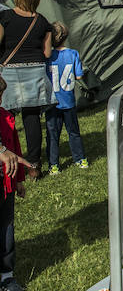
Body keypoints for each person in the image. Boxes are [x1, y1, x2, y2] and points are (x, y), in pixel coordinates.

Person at [0, 0, 54, 180]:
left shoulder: (5, 17)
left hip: (10, 73)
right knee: (31, 120)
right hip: (35, 72)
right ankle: (33, 166)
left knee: (6, 118)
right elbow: (47, 53)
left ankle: (9, 160)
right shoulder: (42, 22)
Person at [44, 22, 88, 175]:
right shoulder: (73, 53)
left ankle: (53, 164)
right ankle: (80, 159)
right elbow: (79, 75)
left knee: (52, 135)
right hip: (69, 101)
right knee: (74, 132)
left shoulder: (47, 57)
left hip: (52, 102)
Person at [0, 74, 30, 291]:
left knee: (6, 230)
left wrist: (19, 179)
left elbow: (15, 148)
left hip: (6, 186)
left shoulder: (6, 117)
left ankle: (6, 275)